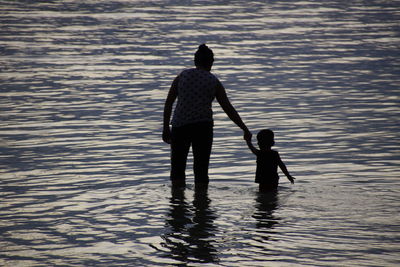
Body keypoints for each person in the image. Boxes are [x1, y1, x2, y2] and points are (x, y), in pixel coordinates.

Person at [163, 44, 252, 188]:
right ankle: (201, 205)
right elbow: (228, 108)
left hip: (180, 127)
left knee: (177, 169)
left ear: (195, 61)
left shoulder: (182, 76)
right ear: (211, 62)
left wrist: (166, 128)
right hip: (203, 128)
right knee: (201, 170)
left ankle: (177, 205)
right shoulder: (213, 81)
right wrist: (244, 128)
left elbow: (168, 103)